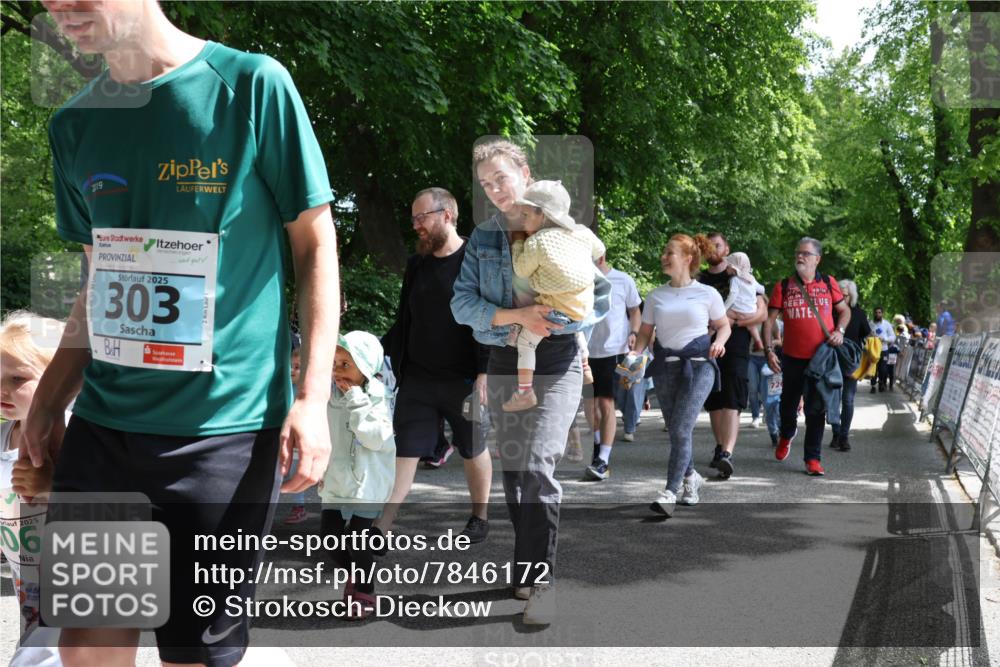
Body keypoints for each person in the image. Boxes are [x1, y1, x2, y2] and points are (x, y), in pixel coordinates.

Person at [27, 2, 339, 664]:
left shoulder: (252, 85)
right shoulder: (74, 124)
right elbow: (99, 281)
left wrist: (312, 400)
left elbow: (315, 246)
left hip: (223, 433)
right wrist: (53, 395)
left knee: (192, 655)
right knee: (86, 647)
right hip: (106, 429)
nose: (62, 10)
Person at [452, 139, 610, 625]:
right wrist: (516, 315)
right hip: (506, 359)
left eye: (502, 178)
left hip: (558, 359)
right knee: (517, 473)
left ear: (524, 172)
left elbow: (600, 296)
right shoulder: (483, 237)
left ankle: (541, 581)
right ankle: (525, 565)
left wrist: (561, 325)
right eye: (486, 185)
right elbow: (463, 305)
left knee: (539, 463)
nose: (495, 190)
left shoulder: (566, 225)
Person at [378, 187, 493, 544]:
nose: (416, 226)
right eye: (413, 219)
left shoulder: (478, 261)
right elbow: (405, 319)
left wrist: (485, 372)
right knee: (406, 449)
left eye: (422, 217)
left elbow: (491, 320)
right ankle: (382, 527)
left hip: (464, 378)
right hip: (418, 378)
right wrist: (370, 354)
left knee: (472, 446)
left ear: (447, 215)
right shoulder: (417, 265)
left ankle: (480, 516)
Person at [625, 235, 730, 516]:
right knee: (676, 430)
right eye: (664, 251)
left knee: (682, 427)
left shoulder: (707, 293)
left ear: (687, 258)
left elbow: (723, 325)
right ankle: (691, 477)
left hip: (699, 365)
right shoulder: (657, 295)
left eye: (669, 252)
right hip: (665, 367)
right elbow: (646, 333)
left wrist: (719, 342)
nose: (663, 256)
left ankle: (669, 492)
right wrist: (634, 357)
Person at [507, 180, 605, 412]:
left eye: (526, 214)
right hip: (583, 307)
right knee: (575, 323)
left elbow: (521, 270)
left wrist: (518, 243)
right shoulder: (582, 232)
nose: (522, 220)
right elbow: (600, 251)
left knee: (525, 342)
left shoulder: (537, 241)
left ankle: (524, 391)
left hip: (554, 312)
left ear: (543, 214)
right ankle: (584, 362)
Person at [1, 312, 65, 667]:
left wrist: (53, 488)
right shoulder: (5, 436)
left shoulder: (71, 437)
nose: (2, 389)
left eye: (17, 378)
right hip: (31, 589)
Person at [320, 331, 395, 620]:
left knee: (357, 540)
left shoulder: (378, 398)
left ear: (366, 367)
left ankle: (365, 588)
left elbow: (376, 438)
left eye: (346, 365)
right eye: (335, 363)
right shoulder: (327, 396)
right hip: (337, 479)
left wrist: (357, 401)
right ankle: (355, 572)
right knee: (330, 540)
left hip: (369, 481)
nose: (338, 371)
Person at [764, 237, 851, 477]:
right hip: (791, 358)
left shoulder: (829, 283)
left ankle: (812, 458)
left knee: (816, 410)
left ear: (817, 259)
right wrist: (769, 350)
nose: (799, 257)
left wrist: (839, 331)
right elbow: (769, 321)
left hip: (820, 359)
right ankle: (786, 434)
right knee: (788, 406)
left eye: (805, 253)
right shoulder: (784, 285)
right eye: (797, 253)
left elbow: (844, 311)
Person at [697, 232, 768, 479]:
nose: (712, 250)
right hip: (707, 340)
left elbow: (762, 312)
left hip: (737, 340)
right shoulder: (700, 279)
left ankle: (727, 453)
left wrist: (736, 320)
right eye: (708, 247)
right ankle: (720, 447)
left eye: (717, 245)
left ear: (726, 249)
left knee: (733, 393)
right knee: (714, 398)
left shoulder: (741, 274)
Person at [585, 254, 641, 478]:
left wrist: (634, 333)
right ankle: (598, 445)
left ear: (601, 257)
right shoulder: (580, 280)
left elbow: (635, 310)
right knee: (590, 408)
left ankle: (603, 460)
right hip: (587, 350)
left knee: (605, 405)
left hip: (613, 350)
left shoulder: (623, 280)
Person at [828, 279, 871, 452]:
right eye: (839, 294)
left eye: (844, 295)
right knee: (831, 400)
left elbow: (866, 332)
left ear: (851, 296)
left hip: (851, 362)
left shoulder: (858, 313)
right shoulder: (830, 312)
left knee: (848, 400)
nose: (841, 297)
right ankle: (836, 433)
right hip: (831, 361)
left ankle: (844, 436)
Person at [282, 334, 307, 524]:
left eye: (298, 367)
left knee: (298, 471)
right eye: (291, 366)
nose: (292, 370)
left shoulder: (306, 392)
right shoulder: (286, 387)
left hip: (300, 439)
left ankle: (300, 506)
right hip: (285, 438)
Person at [723, 252, 765, 352]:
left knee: (719, 316)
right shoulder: (752, 279)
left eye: (728, 266)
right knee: (751, 325)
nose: (726, 268)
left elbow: (732, 296)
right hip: (751, 312)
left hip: (739, 311)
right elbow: (762, 290)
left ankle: (714, 337)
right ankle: (758, 341)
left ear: (734, 268)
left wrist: (723, 309)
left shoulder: (735, 280)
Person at [869, 307, 896, 393]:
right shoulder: (871, 324)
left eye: (879, 312)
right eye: (876, 312)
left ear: (882, 314)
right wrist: (871, 336)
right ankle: (873, 386)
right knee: (873, 368)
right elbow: (866, 335)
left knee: (883, 369)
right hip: (873, 350)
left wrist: (885, 339)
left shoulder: (886, 324)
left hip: (884, 349)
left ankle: (881, 383)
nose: (877, 314)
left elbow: (893, 337)